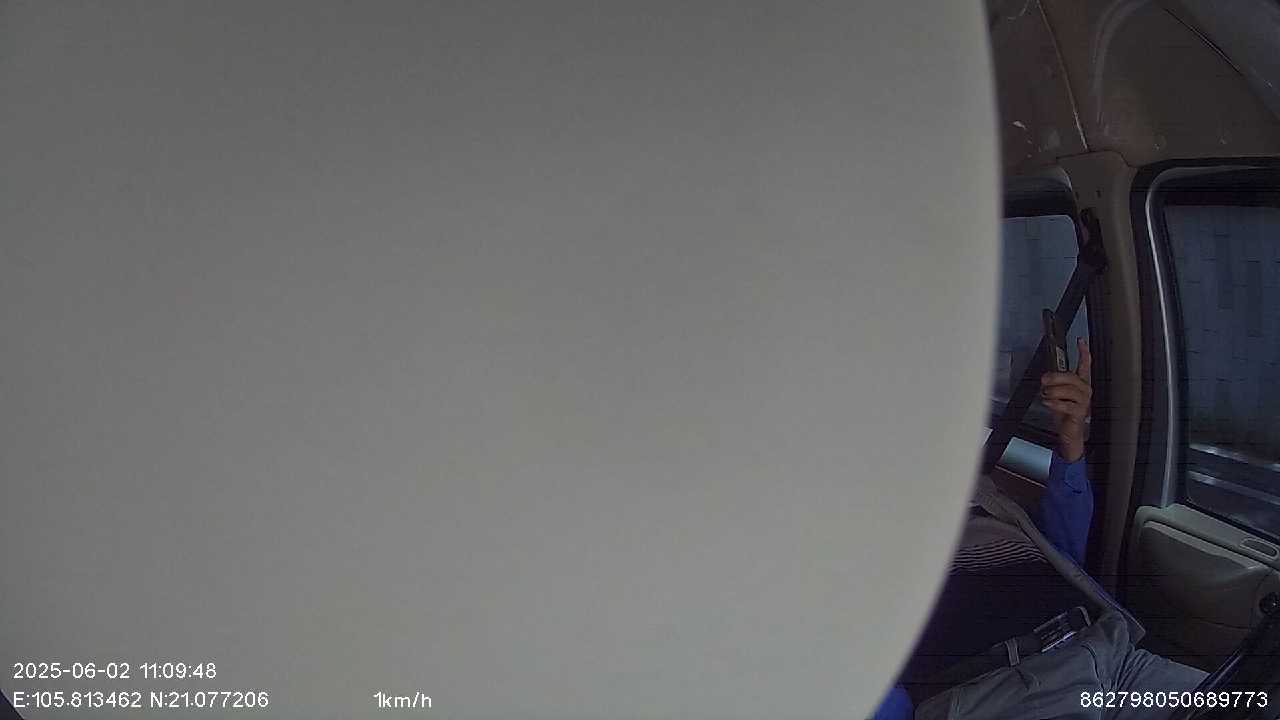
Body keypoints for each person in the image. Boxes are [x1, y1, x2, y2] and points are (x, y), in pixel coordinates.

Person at [872, 339, 1206, 720]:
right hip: (998, 696)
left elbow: (1062, 560)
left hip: (1110, 661)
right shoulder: (848, 539)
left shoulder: (976, 492)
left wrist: (1070, 444)